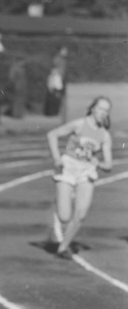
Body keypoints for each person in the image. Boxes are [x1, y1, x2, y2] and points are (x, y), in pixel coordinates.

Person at [47, 96, 112, 259]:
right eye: (100, 108)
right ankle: (61, 204)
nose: (103, 113)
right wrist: (56, 158)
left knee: (81, 214)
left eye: (106, 111)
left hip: (86, 172)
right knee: (64, 216)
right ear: (92, 108)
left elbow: (109, 166)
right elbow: (52, 135)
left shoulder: (104, 136)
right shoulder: (79, 124)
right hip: (68, 168)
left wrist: (98, 163)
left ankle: (63, 247)